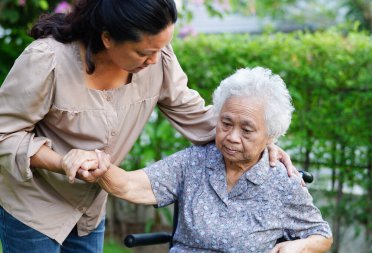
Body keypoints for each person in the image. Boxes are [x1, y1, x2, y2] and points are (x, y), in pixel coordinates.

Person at [0, 1, 294, 252]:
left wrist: (257, 142)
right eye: (143, 52)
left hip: (87, 211)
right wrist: (62, 161)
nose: (155, 59)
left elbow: (196, 117)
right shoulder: (47, 61)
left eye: (162, 47)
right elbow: (4, 134)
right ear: (107, 38)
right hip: (33, 206)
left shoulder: (158, 59)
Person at [86, 67, 333, 253]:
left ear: (271, 136)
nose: (232, 137)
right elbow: (131, 185)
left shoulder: (282, 182)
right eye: (225, 123)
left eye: (246, 130)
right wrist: (100, 167)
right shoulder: (194, 161)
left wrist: (299, 246)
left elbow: (322, 235)